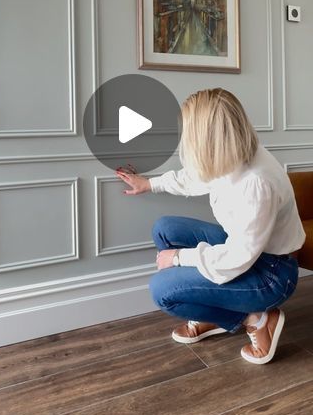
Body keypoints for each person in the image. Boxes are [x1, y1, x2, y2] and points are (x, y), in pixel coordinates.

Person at [115, 88, 306, 365]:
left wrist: (179, 258)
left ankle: (257, 318)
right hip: (250, 253)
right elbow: (196, 177)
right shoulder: (231, 153)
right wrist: (150, 184)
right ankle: (215, 312)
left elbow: (236, 259)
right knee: (165, 229)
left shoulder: (255, 182)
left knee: (162, 290)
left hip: (272, 274)